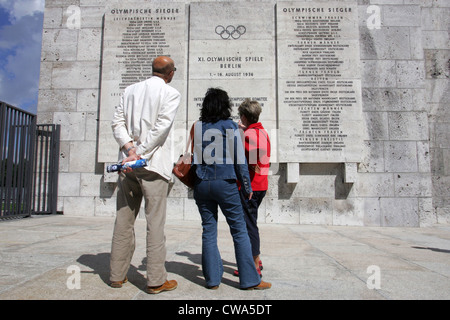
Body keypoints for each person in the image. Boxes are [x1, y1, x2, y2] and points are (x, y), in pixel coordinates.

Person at [109, 56, 180, 294]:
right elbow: (161, 128)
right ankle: (156, 280)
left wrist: (128, 149)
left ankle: (117, 276)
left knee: (123, 220)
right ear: (170, 73)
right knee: (155, 223)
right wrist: (138, 152)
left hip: (128, 166)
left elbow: (117, 123)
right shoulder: (171, 93)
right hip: (153, 166)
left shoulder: (130, 90)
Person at [192, 88, 271, 290]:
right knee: (239, 230)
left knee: (208, 230)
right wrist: (246, 186)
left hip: (202, 183)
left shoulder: (198, 126)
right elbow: (240, 161)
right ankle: (250, 279)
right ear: (225, 106)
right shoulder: (230, 127)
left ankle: (212, 280)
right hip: (225, 183)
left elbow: (193, 157)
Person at [235, 99, 271, 277]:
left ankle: (254, 264)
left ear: (244, 116)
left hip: (251, 186)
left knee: (249, 225)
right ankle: (255, 257)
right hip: (261, 184)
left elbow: (249, 157)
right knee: (251, 222)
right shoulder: (262, 132)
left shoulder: (248, 135)